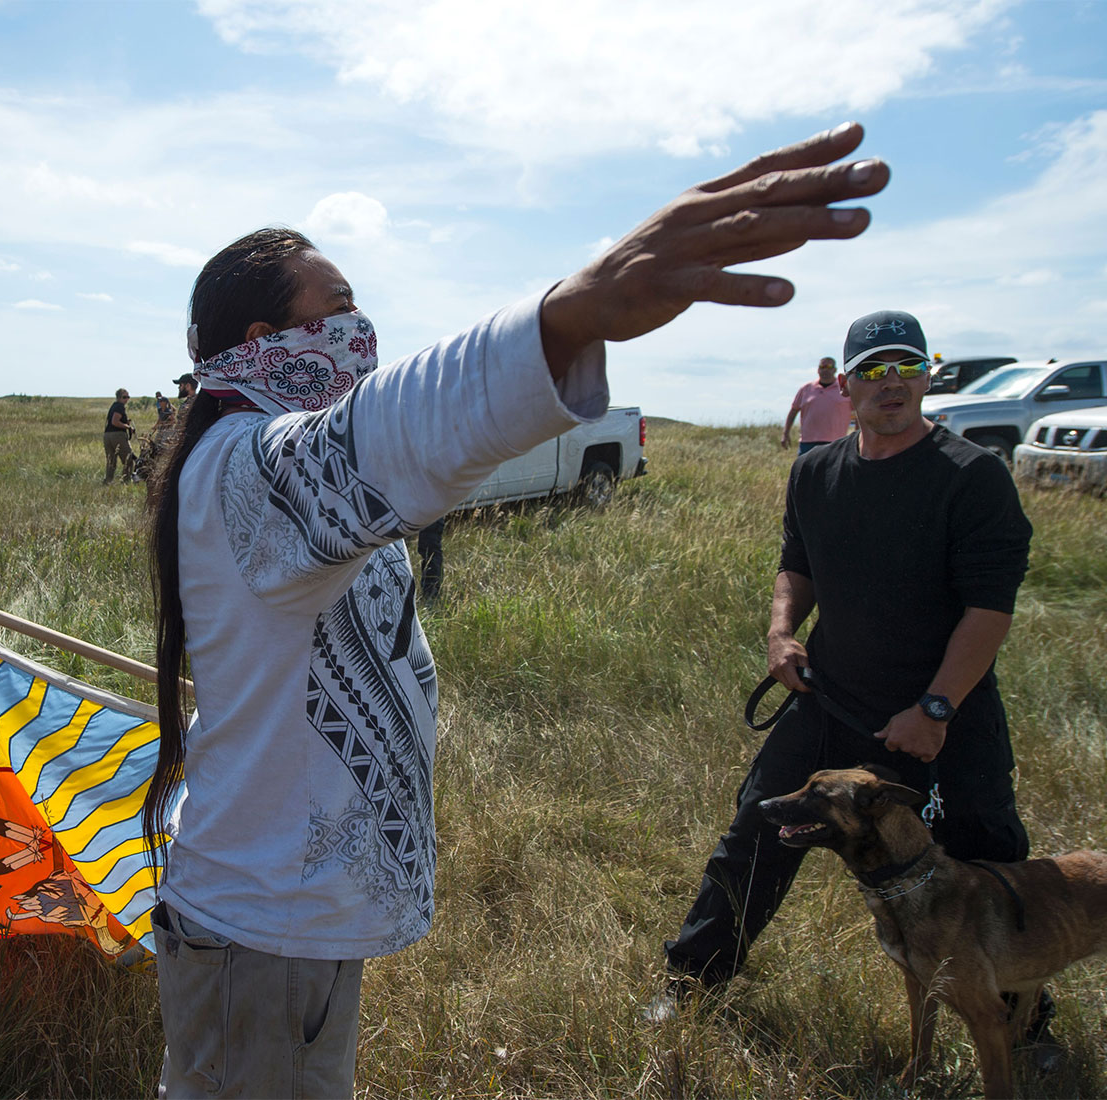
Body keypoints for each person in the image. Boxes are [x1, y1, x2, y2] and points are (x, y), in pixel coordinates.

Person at [141, 122, 890, 1098]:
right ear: (261, 341)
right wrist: (572, 314)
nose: (360, 327)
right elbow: (395, 424)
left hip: (278, 917)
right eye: (338, 307)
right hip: (262, 925)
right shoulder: (249, 470)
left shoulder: (248, 467)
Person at [657, 310, 1040, 1032]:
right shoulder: (815, 472)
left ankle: (1022, 1023)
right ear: (846, 379)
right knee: (755, 836)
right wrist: (780, 635)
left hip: (941, 717)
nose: (890, 382)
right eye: (873, 369)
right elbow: (795, 566)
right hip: (830, 701)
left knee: (986, 862)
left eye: (907, 366)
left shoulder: (973, 477)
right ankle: (690, 985)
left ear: (930, 373)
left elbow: (988, 611)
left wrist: (934, 711)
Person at [779, 355, 850, 453]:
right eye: (822, 367)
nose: (825, 370)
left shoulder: (845, 389)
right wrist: (785, 433)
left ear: (835, 370)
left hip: (836, 443)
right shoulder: (806, 389)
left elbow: (859, 411)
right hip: (808, 443)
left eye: (829, 367)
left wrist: (859, 435)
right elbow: (793, 411)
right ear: (818, 370)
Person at [103, 387, 133, 484]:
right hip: (117, 435)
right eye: (124, 397)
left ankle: (108, 480)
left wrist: (125, 422)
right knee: (128, 458)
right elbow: (115, 422)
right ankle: (126, 481)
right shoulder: (119, 406)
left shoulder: (114, 406)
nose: (126, 399)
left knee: (111, 460)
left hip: (107, 435)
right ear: (119, 398)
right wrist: (127, 427)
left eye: (128, 397)